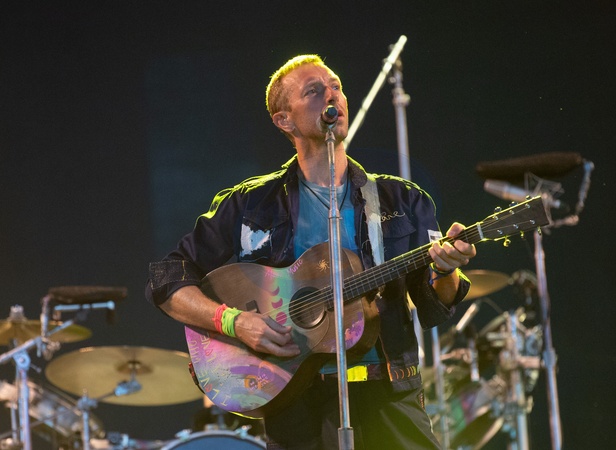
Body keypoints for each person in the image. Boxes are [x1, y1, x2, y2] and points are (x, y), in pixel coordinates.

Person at [146, 54, 477, 449]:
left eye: (336, 86)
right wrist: (234, 322)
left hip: (389, 394)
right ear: (284, 120)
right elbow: (167, 278)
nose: (332, 95)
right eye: (314, 91)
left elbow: (434, 306)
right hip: (294, 399)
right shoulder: (252, 203)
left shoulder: (402, 199)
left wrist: (446, 270)